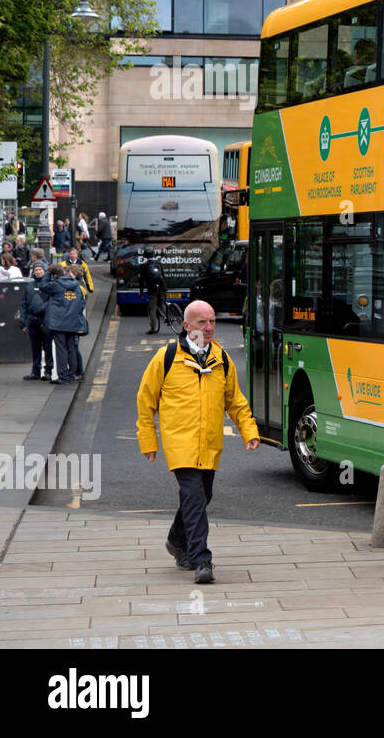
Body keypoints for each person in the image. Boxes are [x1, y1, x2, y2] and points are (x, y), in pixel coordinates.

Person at [136, 300, 260, 584]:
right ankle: (201, 559)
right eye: (202, 322)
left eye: (212, 321)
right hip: (180, 443)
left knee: (203, 496)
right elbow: (145, 402)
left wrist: (249, 431)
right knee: (193, 496)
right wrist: (148, 441)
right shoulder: (167, 357)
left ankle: (175, 541)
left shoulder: (222, 359)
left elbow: (236, 402)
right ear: (186, 325)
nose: (208, 328)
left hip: (210, 443)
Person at [38, 263, 87, 384]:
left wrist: (47, 274)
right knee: (71, 348)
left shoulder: (56, 284)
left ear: (55, 274)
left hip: (59, 323)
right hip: (73, 322)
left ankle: (63, 375)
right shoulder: (77, 286)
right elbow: (81, 305)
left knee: (61, 349)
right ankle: (72, 375)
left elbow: (42, 286)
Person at [18, 258, 53, 380]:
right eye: (36, 270)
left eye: (40, 269)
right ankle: (35, 372)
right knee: (35, 348)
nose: (38, 272)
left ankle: (48, 372)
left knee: (48, 348)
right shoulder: (29, 284)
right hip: (32, 320)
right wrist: (23, 322)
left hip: (45, 320)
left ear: (44, 271)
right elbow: (24, 304)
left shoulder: (50, 285)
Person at [139, 247, 166, 334]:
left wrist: (141, 291)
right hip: (161, 287)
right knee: (162, 302)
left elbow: (141, 280)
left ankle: (153, 328)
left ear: (145, 256)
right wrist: (164, 288)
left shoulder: (144, 265)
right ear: (154, 254)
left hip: (152, 289)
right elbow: (163, 276)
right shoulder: (159, 263)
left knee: (152, 308)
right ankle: (167, 318)